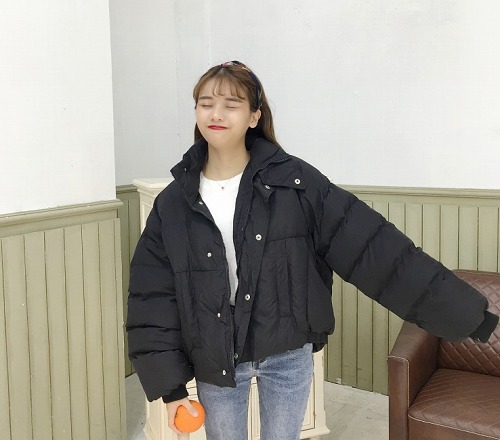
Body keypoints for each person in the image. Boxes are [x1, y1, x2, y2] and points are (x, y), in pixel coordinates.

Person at [126, 60, 499, 440]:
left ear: (254, 116)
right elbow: (152, 297)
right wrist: (171, 388)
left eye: (231, 104)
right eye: (206, 103)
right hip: (217, 356)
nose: (216, 114)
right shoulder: (174, 202)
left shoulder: (297, 183)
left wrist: (466, 314)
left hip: (287, 352)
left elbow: (379, 252)